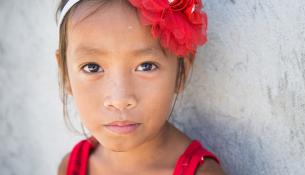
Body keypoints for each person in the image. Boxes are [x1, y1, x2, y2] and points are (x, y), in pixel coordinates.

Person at [55, 0, 225, 174]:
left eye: (146, 66)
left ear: (182, 73)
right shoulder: (71, 168)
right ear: (65, 75)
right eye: (92, 67)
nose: (119, 100)